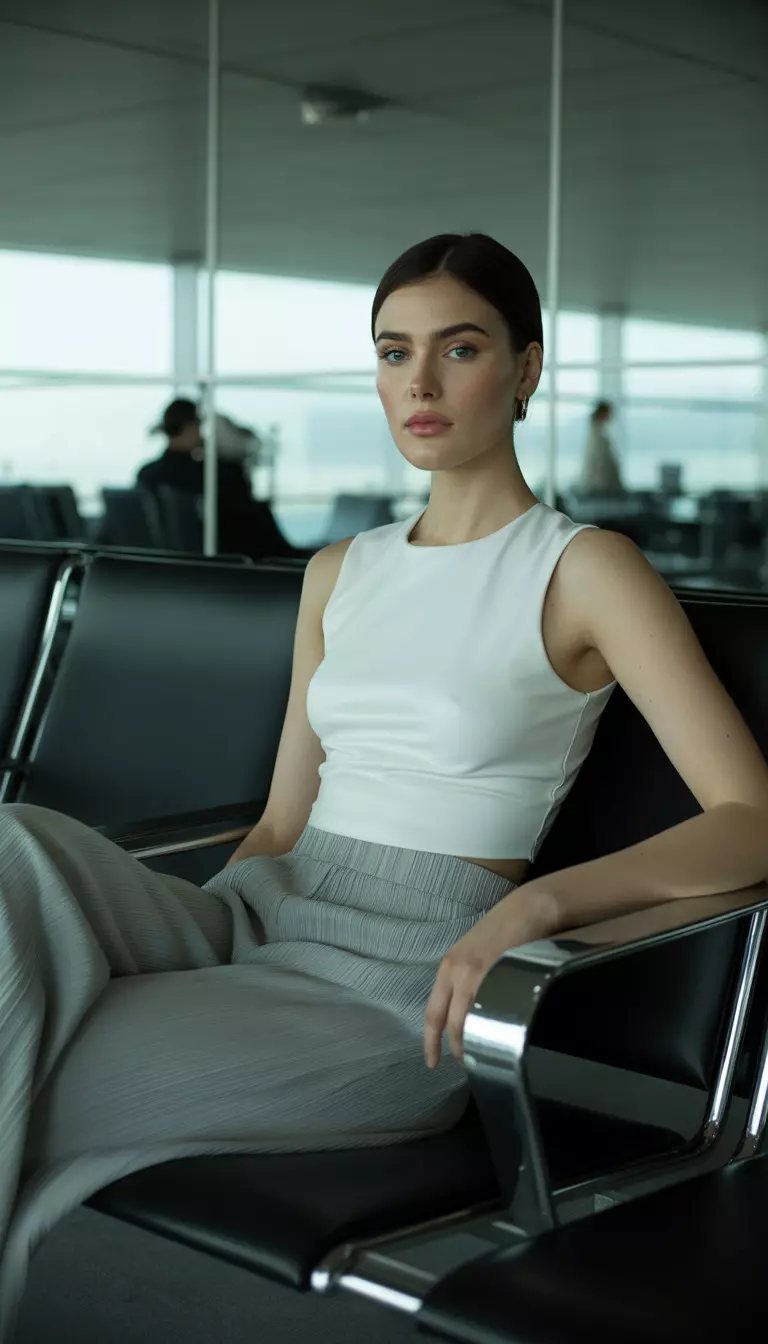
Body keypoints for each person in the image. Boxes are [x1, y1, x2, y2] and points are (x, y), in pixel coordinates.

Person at [2, 234, 768, 1335]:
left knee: (30, 1072)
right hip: (257, 915)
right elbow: (282, 820)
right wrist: (189, 935)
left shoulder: (583, 568)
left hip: (401, 982)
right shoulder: (339, 570)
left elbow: (750, 819)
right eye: (394, 352)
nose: (419, 383)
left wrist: (540, 904)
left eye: (460, 349)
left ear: (526, 369)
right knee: (13, 843)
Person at [136, 399, 301, 560]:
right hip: (229, 560)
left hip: (166, 563)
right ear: (190, 427)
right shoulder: (218, 474)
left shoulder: (146, 474)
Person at [579, 399, 625, 495]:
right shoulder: (597, 436)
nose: (611, 417)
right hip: (599, 487)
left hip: (600, 485)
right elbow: (601, 464)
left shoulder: (598, 433)